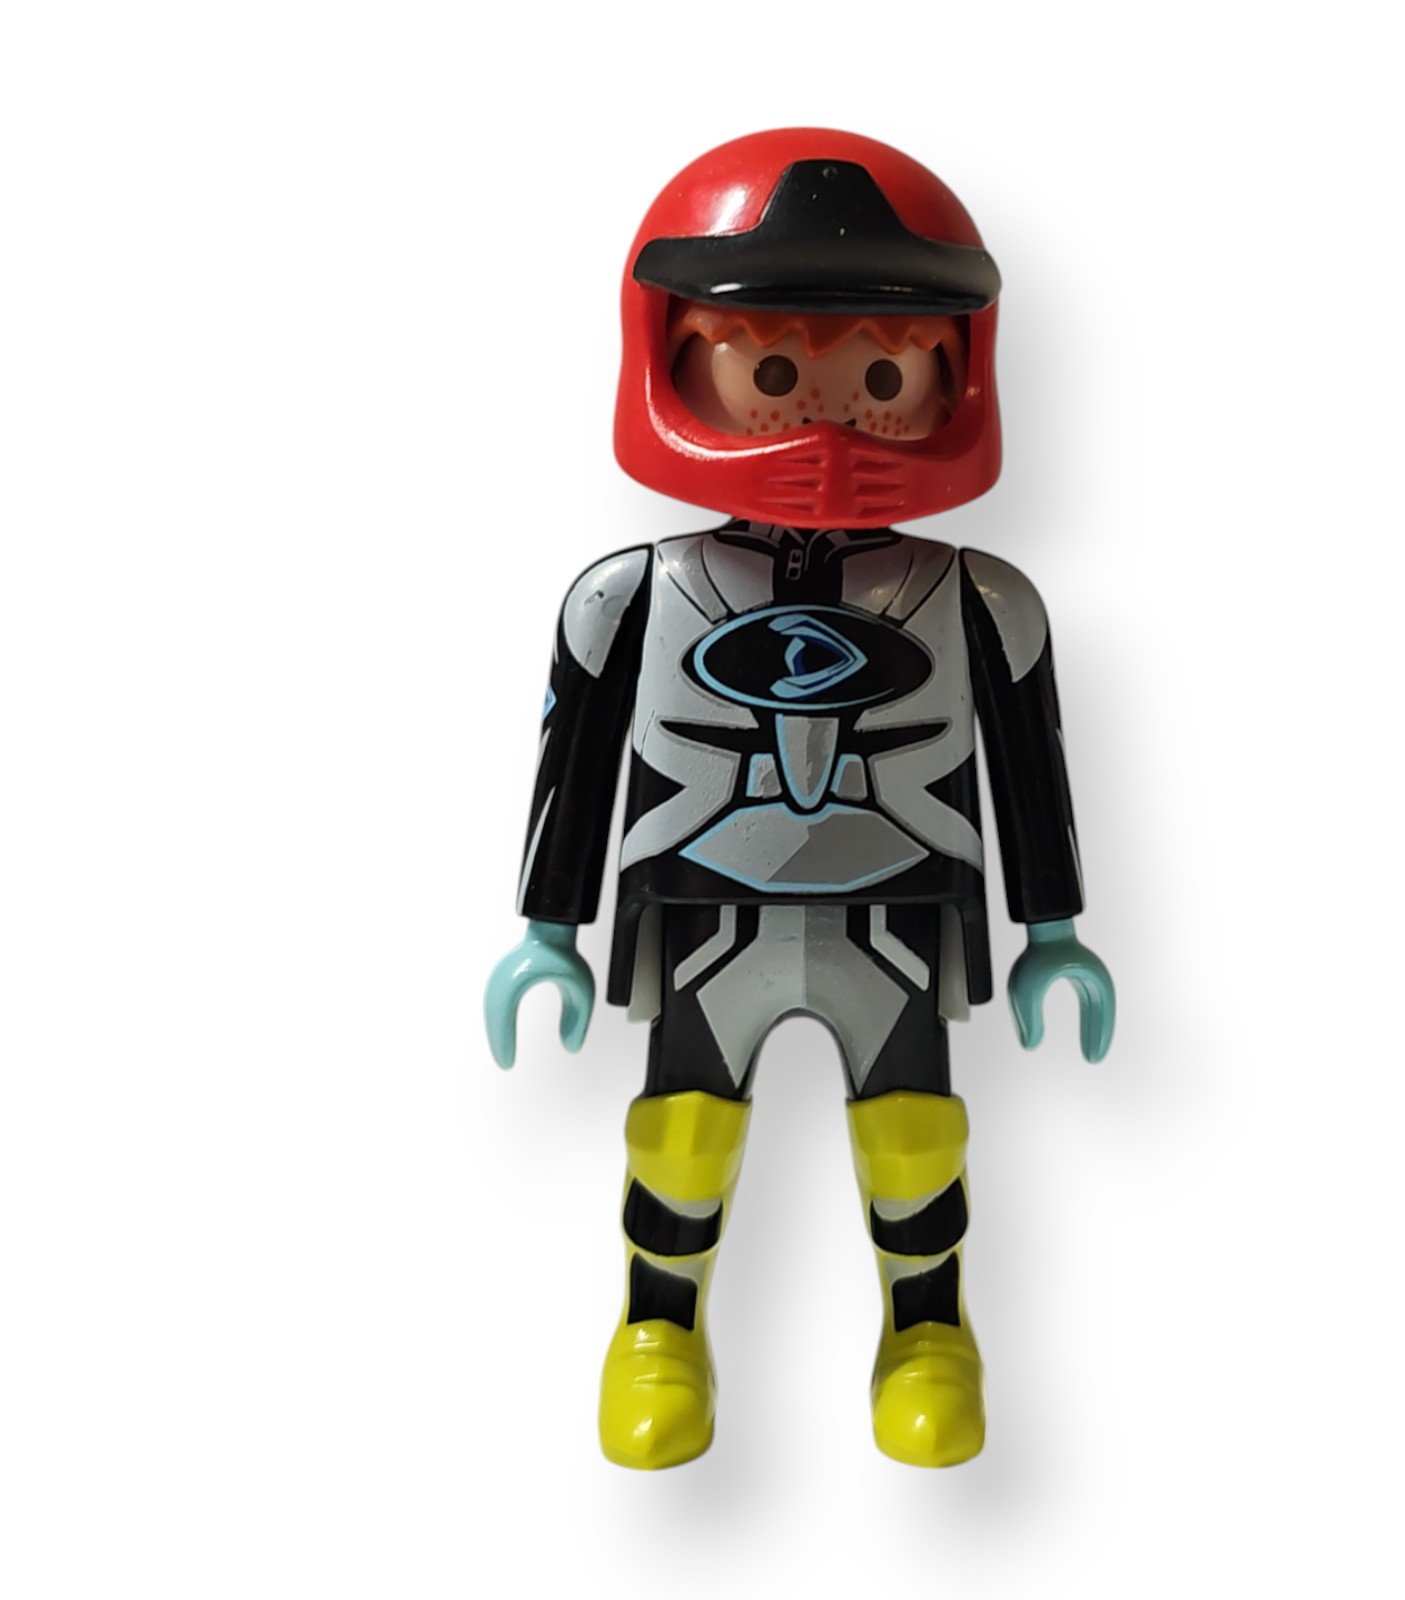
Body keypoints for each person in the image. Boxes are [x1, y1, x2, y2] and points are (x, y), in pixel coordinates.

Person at [485, 128, 1114, 1470]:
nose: (827, 421)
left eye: (882, 375)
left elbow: (1031, 764)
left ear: (954, 368)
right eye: (772, 372)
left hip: (900, 908)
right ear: (674, 355)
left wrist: (1055, 930)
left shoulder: (983, 603)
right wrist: (548, 930)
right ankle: (658, 1332)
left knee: (916, 1136)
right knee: (680, 1133)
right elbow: (574, 766)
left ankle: (929, 1333)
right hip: (705, 911)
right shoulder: (627, 598)